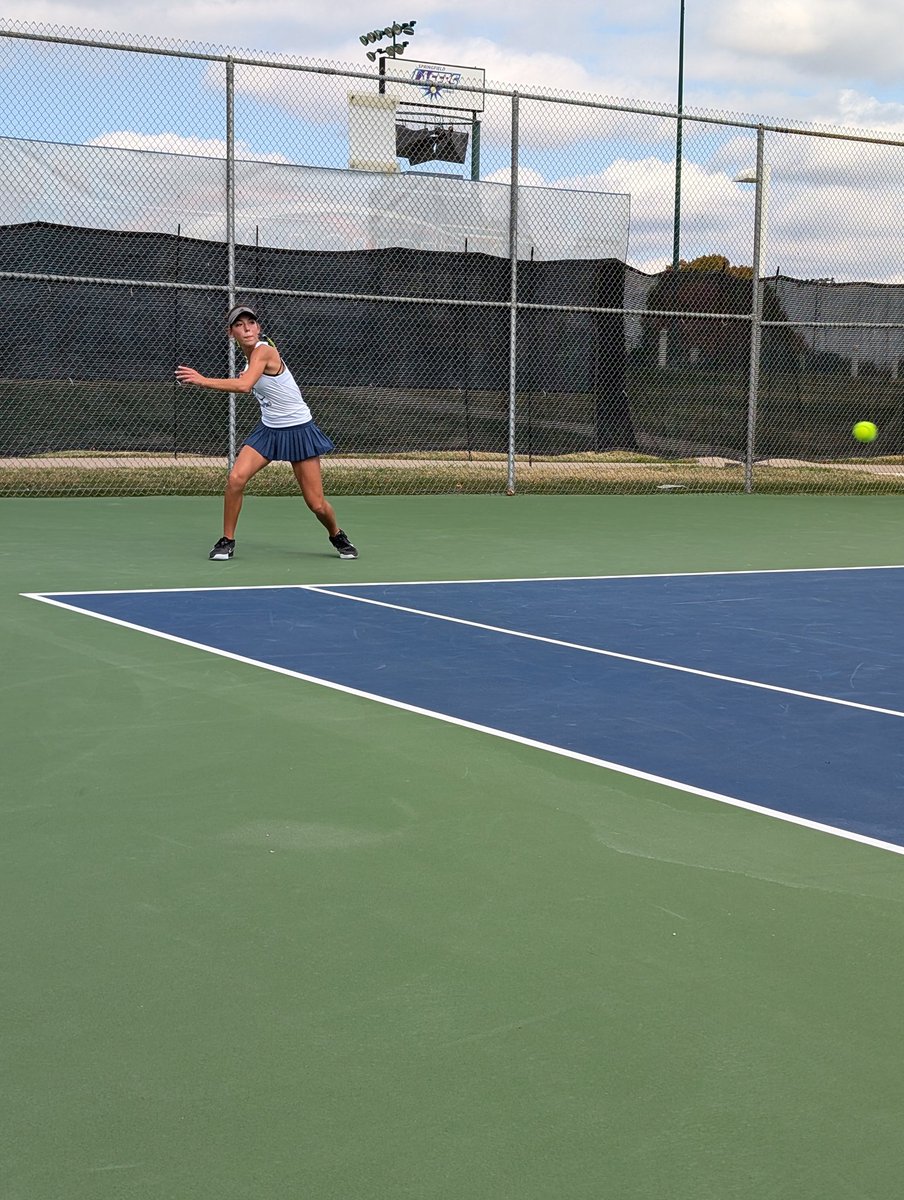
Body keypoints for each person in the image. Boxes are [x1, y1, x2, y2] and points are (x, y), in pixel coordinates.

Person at [175, 304, 357, 561]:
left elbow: (245, 386)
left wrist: (202, 380)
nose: (247, 328)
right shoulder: (251, 359)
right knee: (236, 478)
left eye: (251, 323)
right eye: (239, 324)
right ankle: (227, 540)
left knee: (316, 504)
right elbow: (254, 380)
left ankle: (336, 534)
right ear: (231, 333)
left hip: (299, 429)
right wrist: (249, 374)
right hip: (269, 429)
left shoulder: (264, 351)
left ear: (259, 328)